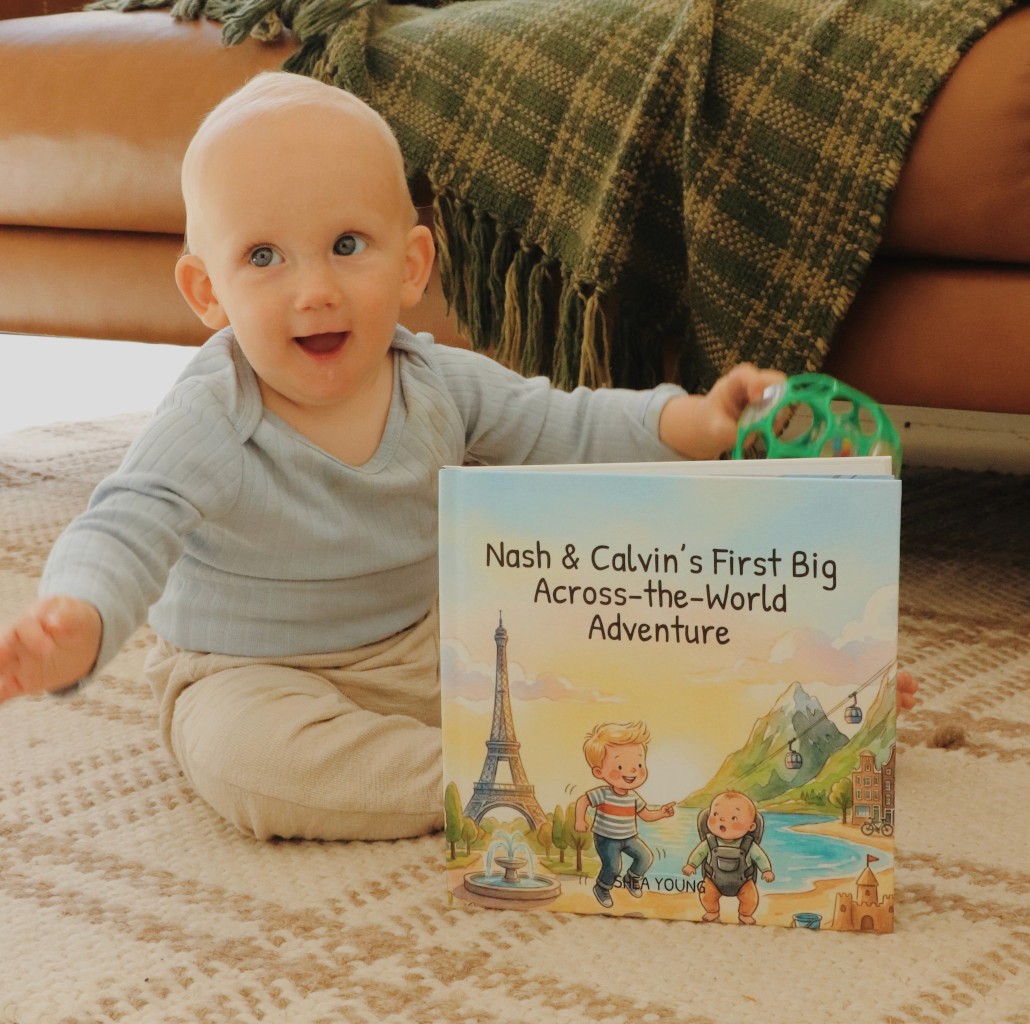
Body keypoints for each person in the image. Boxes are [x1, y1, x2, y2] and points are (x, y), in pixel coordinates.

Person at [0, 71, 914, 842]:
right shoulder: (212, 414)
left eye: (347, 246)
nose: (314, 290)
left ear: (412, 265)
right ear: (207, 290)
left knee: (606, 635)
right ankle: (523, 783)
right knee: (251, 764)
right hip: (251, 673)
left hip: (427, 644)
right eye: (265, 256)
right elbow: (128, 520)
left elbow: (561, 428)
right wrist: (77, 616)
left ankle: (793, 710)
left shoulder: (435, 382)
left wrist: (693, 422)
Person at [574, 721, 675, 907]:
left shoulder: (633, 797)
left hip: (629, 837)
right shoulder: (603, 793)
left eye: (639, 764)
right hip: (606, 839)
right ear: (599, 771)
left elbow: (646, 815)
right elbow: (583, 801)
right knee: (613, 867)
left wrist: (661, 813)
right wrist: (579, 819)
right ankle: (602, 888)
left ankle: (632, 878)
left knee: (645, 857)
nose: (633, 771)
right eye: (621, 766)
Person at [683, 790, 774, 924]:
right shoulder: (710, 842)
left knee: (750, 898)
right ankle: (712, 911)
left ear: (751, 826)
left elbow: (760, 858)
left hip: (743, 882)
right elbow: (699, 853)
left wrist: (766, 870)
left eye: (733, 818)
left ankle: (745, 914)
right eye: (716, 814)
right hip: (714, 880)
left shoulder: (749, 845)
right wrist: (691, 865)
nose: (721, 821)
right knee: (707, 895)